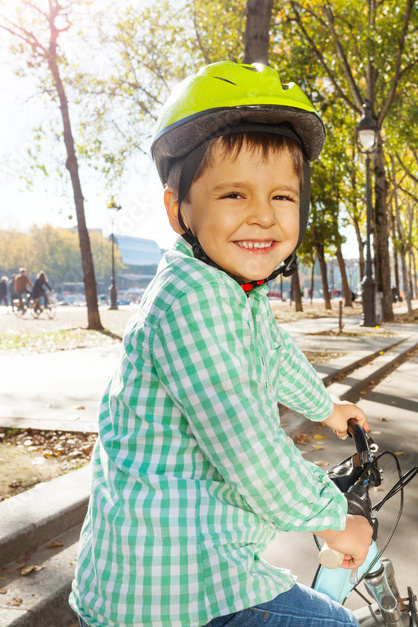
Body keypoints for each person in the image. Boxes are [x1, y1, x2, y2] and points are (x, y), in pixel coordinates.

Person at [69, 61, 372, 627]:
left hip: (194, 560)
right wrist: (335, 518)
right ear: (177, 209)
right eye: (234, 193)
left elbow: (275, 355)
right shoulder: (190, 303)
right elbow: (250, 452)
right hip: (165, 589)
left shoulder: (236, 293)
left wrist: (327, 407)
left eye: (283, 196)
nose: (263, 214)